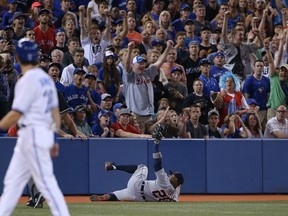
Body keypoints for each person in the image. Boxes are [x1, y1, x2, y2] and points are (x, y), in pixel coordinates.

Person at [0, 39, 70, 215]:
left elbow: (16, 114)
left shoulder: (27, 80)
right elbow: (55, 113)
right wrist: (53, 139)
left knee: (46, 183)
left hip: (34, 135)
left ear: (19, 56)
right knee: (12, 182)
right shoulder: (45, 80)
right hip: (34, 136)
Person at [90, 124, 184, 202]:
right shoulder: (174, 197)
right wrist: (178, 186)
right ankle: (106, 197)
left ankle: (113, 167)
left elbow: (157, 164)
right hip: (137, 198)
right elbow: (176, 192)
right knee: (118, 195)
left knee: (143, 167)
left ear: (175, 178)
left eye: (172, 175)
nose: (169, 175)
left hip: (137, 185)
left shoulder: (165, 181)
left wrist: (156, 144)